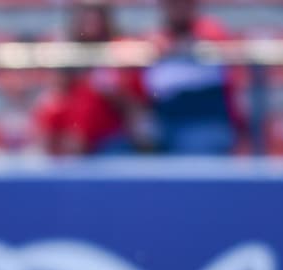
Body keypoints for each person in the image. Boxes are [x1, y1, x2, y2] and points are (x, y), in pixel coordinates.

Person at [33, 0, 150, 155]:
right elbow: (54, 98)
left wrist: (112, 91)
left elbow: (137, 107)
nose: (91, 20)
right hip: (71, 138)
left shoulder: (122, 50)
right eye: (86, 13)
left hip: (113, 136)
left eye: (96, 13)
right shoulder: (67, 54)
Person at [141, 0, 244, 154]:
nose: (179, 8)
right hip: (162, 118)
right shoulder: (153, 37)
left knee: (196, 145)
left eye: (185, 3)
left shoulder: (210, 29)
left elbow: (217, 44)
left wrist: (172, 47)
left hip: (204, 119)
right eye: (173, 4)